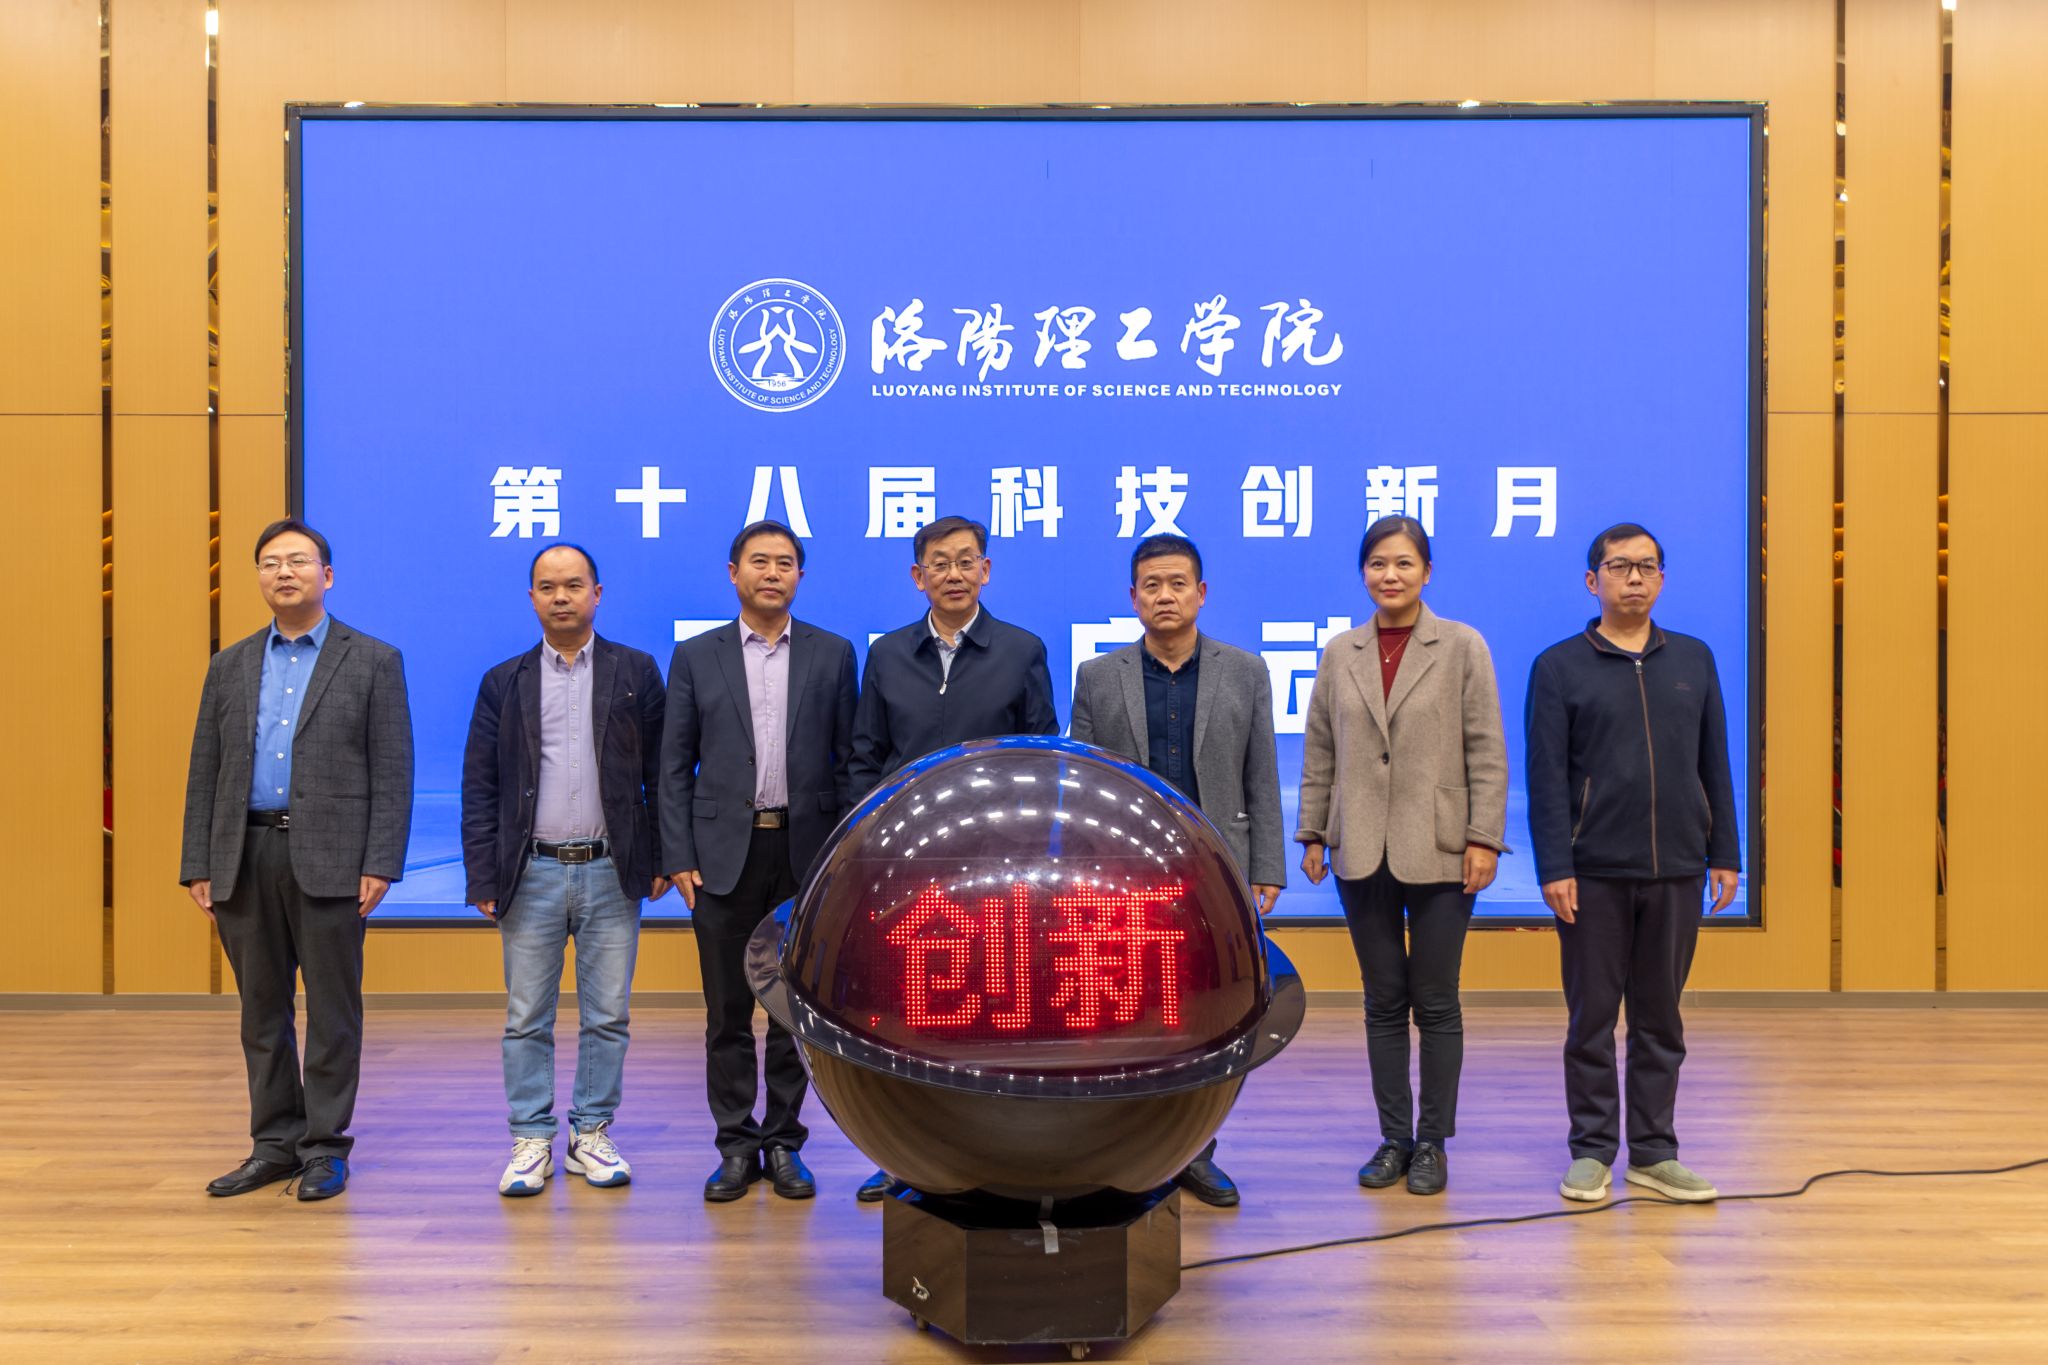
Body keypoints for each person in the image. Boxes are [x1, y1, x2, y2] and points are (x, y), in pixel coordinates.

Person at [180, 518, 413, 1201]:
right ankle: (274, 1144)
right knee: (261, 1012)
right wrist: (199, 860)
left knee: (334, 1012)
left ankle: (325, 1147)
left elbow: (393, 770)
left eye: (299, 561)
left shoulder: (373, 659)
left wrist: (380, 861)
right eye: (271, 562)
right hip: (244, 854)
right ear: (258, 577)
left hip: (335, 858)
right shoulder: (229, 665)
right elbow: (206, 767)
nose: (284, 572)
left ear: (327, 575)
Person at [846, 513, 1060, 1201]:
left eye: (967, 560)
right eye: (939, 563)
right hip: (907, 871)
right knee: (905, 1017)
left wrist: (1027, 856)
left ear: (986, 570)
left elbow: (1043, 760)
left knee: (989, 1016)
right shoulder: (887, 656)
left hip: (996, 877)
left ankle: (995, 1152)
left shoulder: (1021, 649)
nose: (954, 574)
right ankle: (903, 1156)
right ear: (918, 576)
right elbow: (865, 760)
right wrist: (871, 846)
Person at [1526, 522, 1740, 1205]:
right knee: (1592, 1020)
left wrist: (1725, 853)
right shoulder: (1558, 666)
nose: (1635, 578)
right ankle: (1591, 1150)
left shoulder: (1694, 660)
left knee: (1660, 1020)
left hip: (1677, 868)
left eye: (1647, 566)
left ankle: (1653, 1151)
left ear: (1663, 579)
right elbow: (1546, 779)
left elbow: (1715, 763)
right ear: (1594, 581)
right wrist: (1554, 866)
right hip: (1592, 873)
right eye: (1620, 567)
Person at [1069, 533, 1285, 1209]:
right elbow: (1079, 784)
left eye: (1178, 583)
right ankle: (1127, 1150)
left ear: (1201, 592)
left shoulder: (1244, 671)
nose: (1165, 595)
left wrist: (1267, 867)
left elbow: (1261, 776)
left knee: (1206, 1016)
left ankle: (1195, 1150)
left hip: (1214, 873)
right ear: (1133, 596)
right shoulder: (1098, 676)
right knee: (1124, 1017)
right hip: (1122, 877)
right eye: (1152, 585)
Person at [1296, 515, 1508, 1197]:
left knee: (1436, 999)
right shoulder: (1341, 651)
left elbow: (1486, 748)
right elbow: (1320, 748)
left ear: (1427, 572)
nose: (1390, 575)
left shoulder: (1463, 645)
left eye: (1404, 563)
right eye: (1378, 564)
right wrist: (1312, 831)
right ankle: (1395, 1139)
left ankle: (1433, 1143)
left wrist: (1484, 836)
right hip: (1360, 845)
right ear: (1363, 573)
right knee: (1383, 999)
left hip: (1443, 845)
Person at [462, 543, 668, 1196]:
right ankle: (530, 1137)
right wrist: (483, 876)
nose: (561, 596)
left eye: (573, 585)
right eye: (547, 586)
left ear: (596, 594)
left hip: (611, 871)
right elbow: (480, 786)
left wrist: (661, 857)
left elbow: (662, 774)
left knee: (608, 1016)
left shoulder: (636, 671)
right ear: (532, 598)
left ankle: (590, 1133)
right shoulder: (504, 681)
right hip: (532, 872)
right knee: (527, 1016)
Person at [662, 521, 857, 1202]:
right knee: (726, 1013)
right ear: (733, 572)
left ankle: (783, 1142)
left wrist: (844, 857)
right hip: (722, 857)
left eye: (785, 563)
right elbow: (672, 766)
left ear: (800, 575)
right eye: (759, 561)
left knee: (791, 1012)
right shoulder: (696, 655)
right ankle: (735, 1146)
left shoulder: (833, 654)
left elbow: (847, 763)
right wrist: (678, 854)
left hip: (805, 854)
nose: (772, 572)